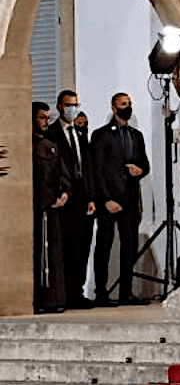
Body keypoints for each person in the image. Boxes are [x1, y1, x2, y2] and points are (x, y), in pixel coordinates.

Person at [90, 93, 150, 306]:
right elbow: (96, 170)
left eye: (129, 104)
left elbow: (145, 164)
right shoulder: (102, 135)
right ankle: (101, 293)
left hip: (131, 199)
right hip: (109, 200)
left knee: (129, 246)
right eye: (123, 104)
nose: (128, 107)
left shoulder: (136, 135)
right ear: (114, 108)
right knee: (104, 246)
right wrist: (105, 198)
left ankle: (126, 292)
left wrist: (139, 170)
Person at [50, 90, 95, 309]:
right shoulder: (52, 132)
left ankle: (78, 291)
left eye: (76, 105)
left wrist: (91, 197)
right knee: (67, 247)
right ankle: (65, 294)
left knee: (83, 247)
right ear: (60, 106)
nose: (73, 109)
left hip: (83, 198)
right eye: (69, 105)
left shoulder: (80, 132)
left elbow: (86, 166)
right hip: (65, 197)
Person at [32, 102, 70, 313]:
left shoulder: (50, 144)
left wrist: (65, 193)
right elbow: (34, 178)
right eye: (42, 117)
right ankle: (39, 300)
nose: (46, 121)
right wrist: (48, 199)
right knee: (40, 254)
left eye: (48, 117)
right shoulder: (27, 146)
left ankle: (55, 300)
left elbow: (63, 172)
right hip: (40, 207)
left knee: (54, 255)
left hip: (55, 206)